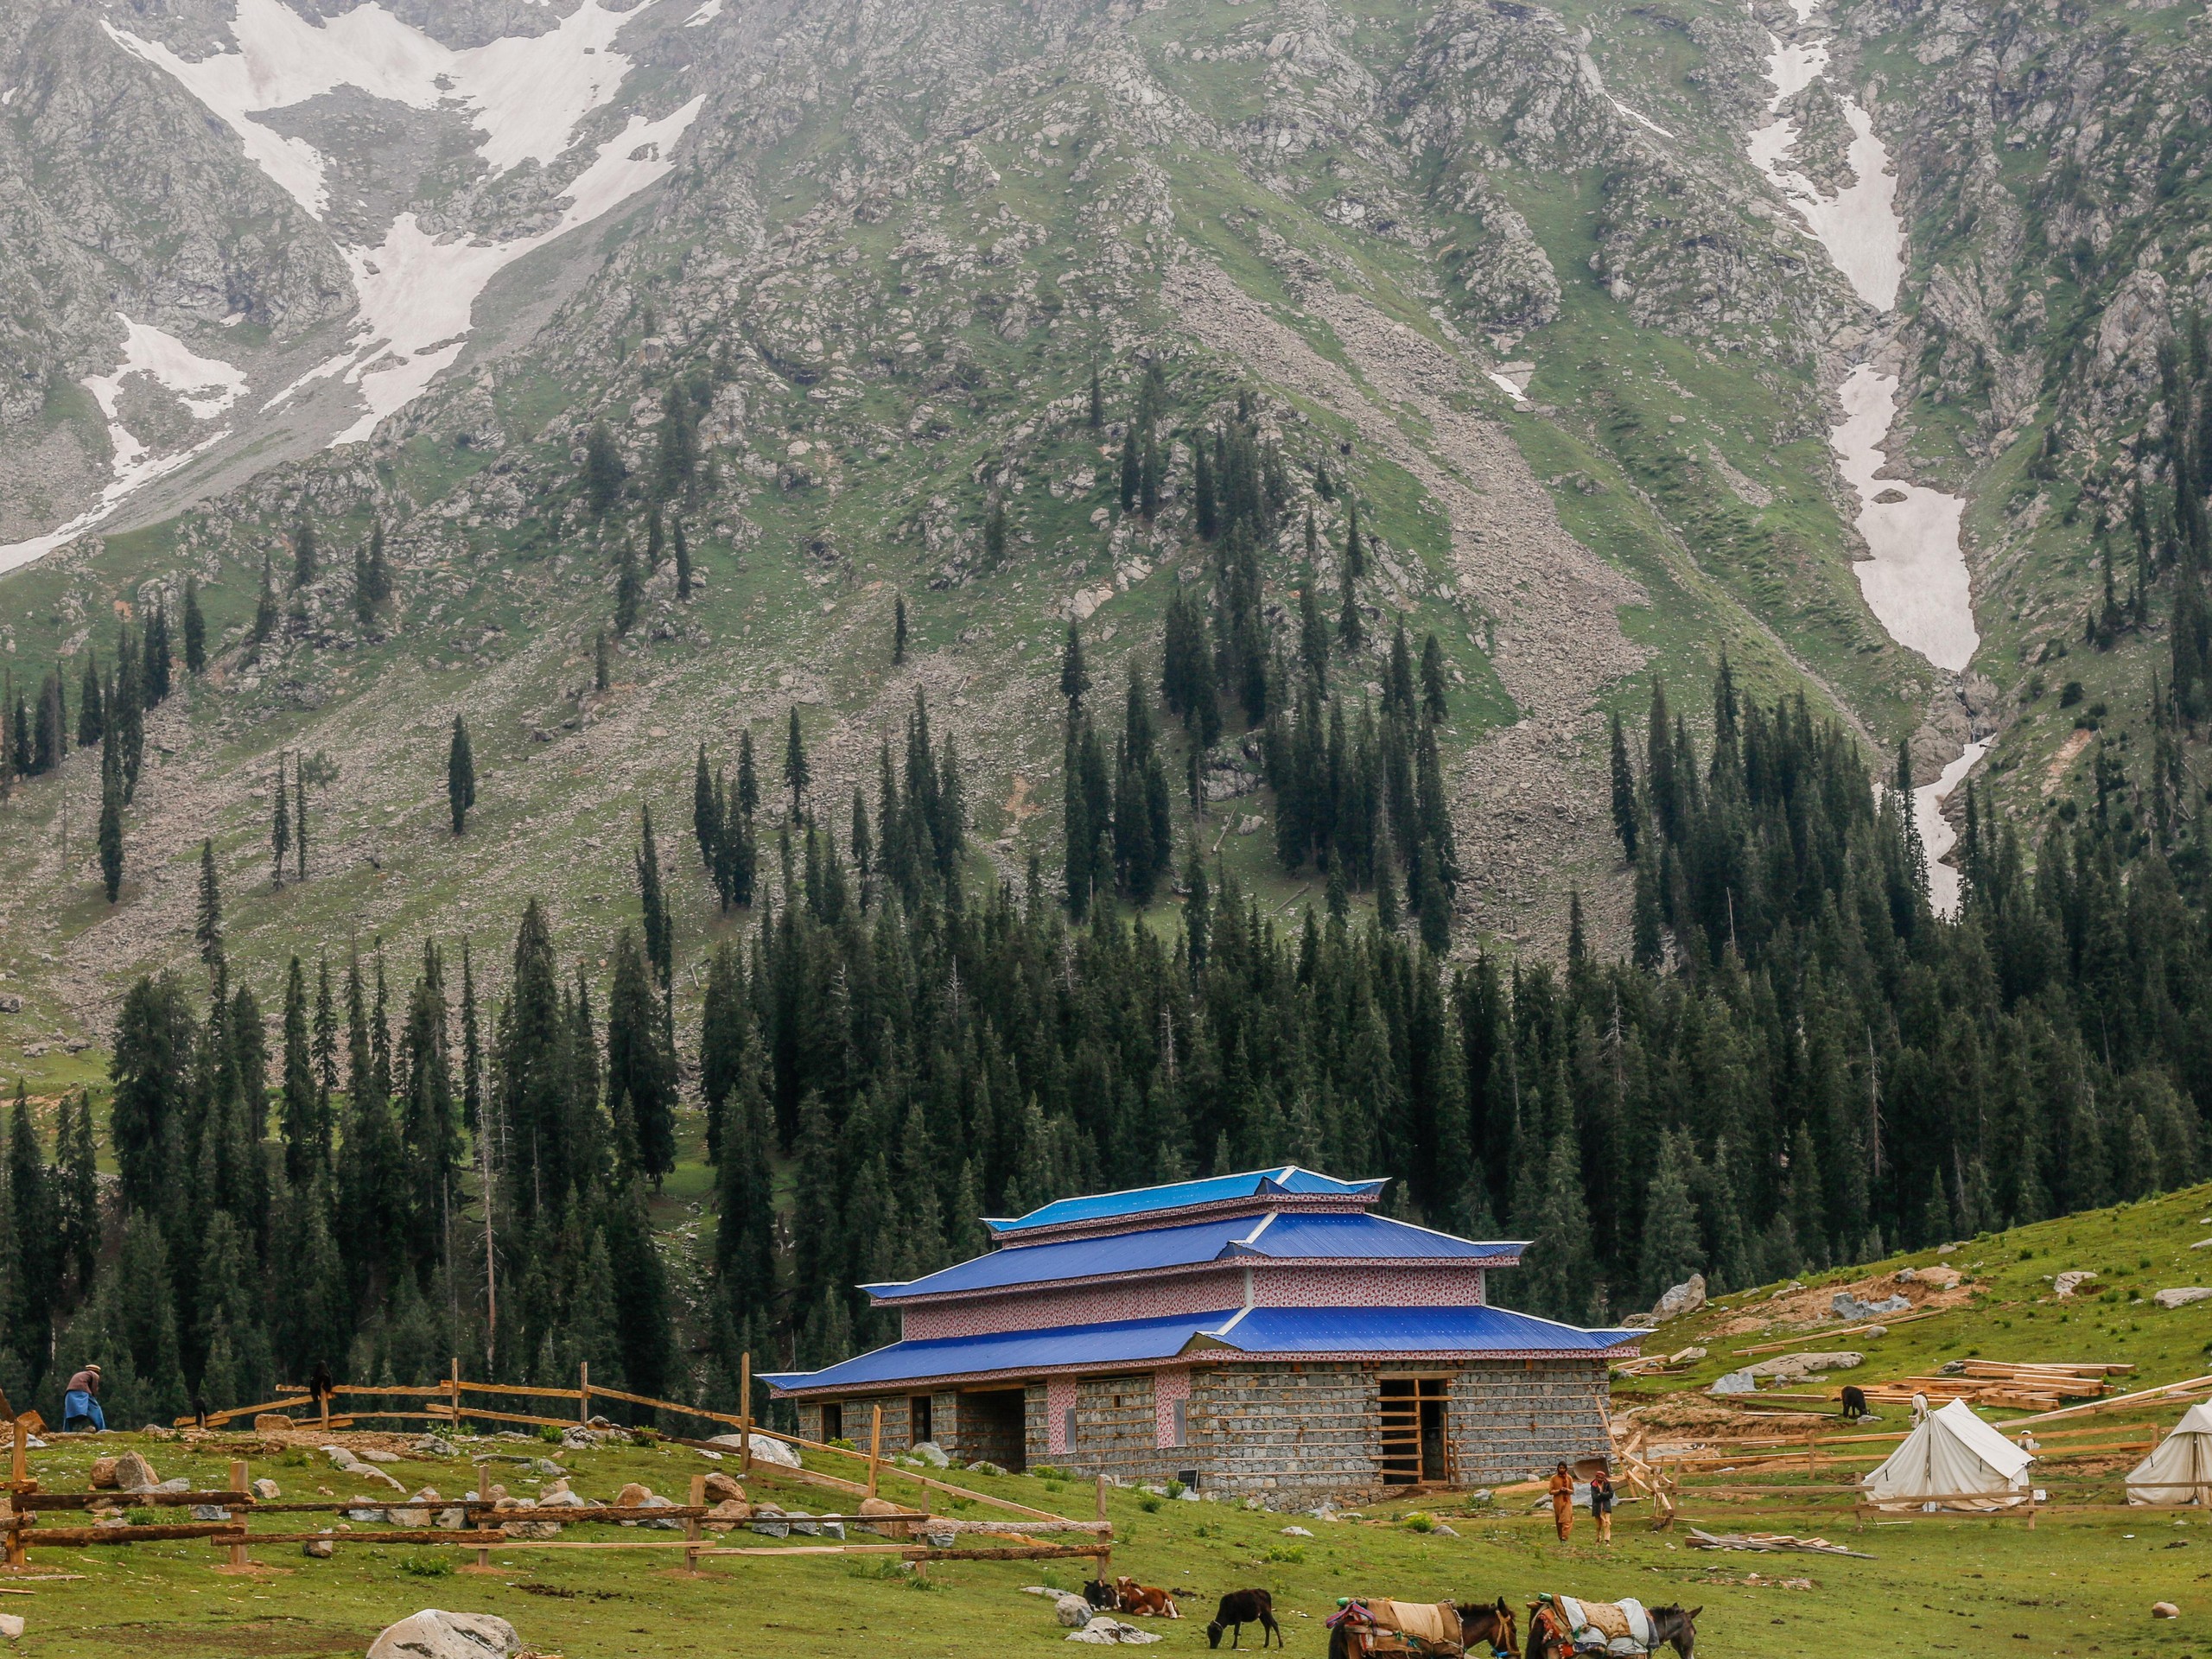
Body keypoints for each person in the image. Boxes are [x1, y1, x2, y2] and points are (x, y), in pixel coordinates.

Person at [61, 1363, 105, 1433]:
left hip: (69, 1394)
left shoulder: (80, 1374)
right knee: (96, 1410)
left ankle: (66, 1431)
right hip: (82, 1393)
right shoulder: (94, 1375)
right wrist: (94, 1396)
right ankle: (102, 1430)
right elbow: (94, 1388)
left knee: (69, 1414)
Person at [1548, 1460, 1575, 1542]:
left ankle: (1564, 1538)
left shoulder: (1569, 1478)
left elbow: (1572, 1491)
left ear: (1566, 1469)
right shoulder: (1554, 1478)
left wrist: (1567, 1490)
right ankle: (1560, 1536)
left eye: (1563, 1468)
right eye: (1560, 1468)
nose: (1562, 1470)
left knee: (1567, 1520)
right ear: (1558, 1468)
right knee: (1559, 1521)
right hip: (1558, 1502)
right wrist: (1559, 1491)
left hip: (1567, 1501)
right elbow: (1550, 1491)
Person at [1590, 1465, 1616, 1543]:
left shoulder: (1607, 1484)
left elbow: (1611, 1495)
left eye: (1602, 1478)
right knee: (1598, 1526)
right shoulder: (1593, 1485)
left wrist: (1600, 1494)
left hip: (1606, 1507)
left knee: (1607, 1522)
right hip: (1597, 1508)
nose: (1600, 1479)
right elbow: (1594, 1497)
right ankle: (1598, 1539)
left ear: (1604, 1478)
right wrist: (1605, 1495)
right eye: (1599, 1478)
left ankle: (1607, 1540)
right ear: (1596, 1477)